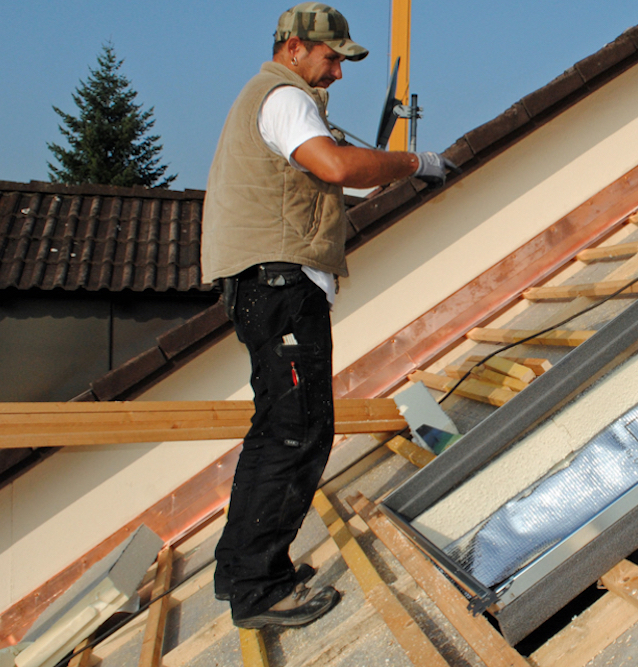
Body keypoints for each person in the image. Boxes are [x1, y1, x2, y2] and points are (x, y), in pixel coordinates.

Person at [200, 2, 455, 630]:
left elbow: (346, 171)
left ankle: (244, 572)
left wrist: (381, 165)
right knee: (298, 430)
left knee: (275, 429)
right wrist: (415, 162)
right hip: (280, 283)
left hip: (265, 285)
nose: (339, 72)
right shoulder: (283, 98)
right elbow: (338, 167)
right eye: (332, 57)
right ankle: (259, 591)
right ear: (293, 48)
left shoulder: (283, 102)